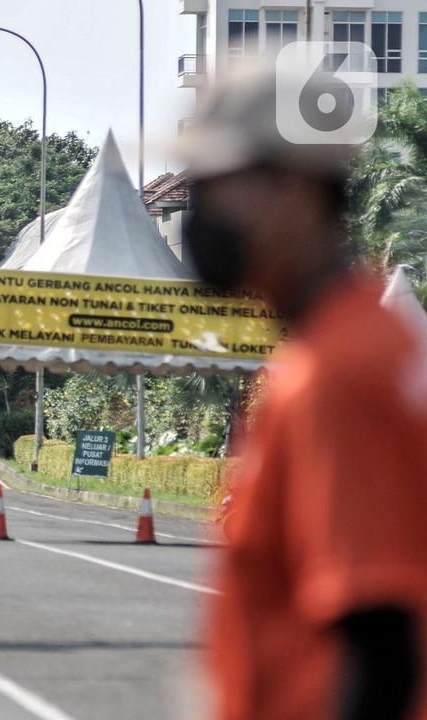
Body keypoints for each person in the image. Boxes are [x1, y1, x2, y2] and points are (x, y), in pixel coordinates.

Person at [181, 68, 427, 719]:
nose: (198, 217)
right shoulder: (373, 340)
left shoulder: (330, 374)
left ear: (291, 190)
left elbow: (380, 643)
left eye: (214, 190)